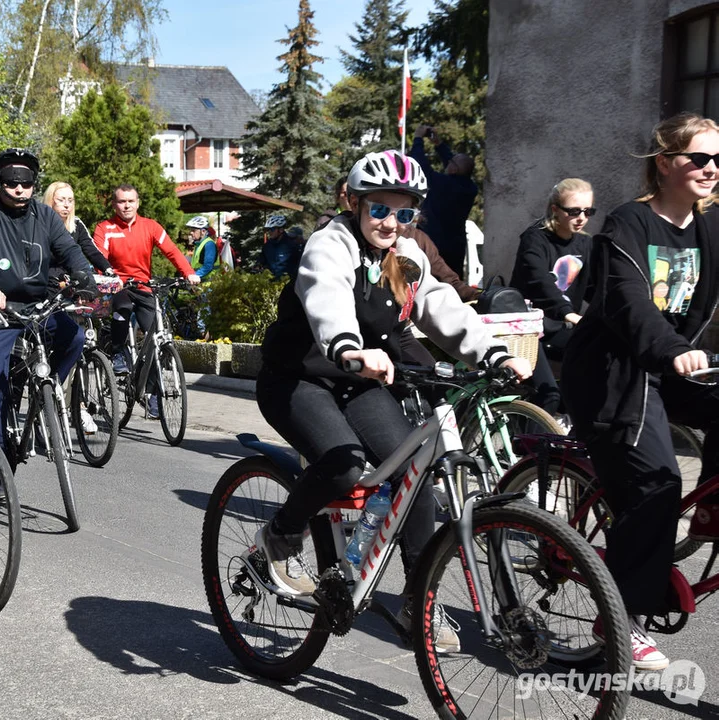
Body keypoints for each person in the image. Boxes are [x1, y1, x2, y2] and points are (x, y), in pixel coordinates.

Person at [254, 149, 531, 654]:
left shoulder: (405, 257)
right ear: (353, 203)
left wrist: (494, 353)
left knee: (414, 468)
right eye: (378, 208)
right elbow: (327, 298)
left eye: (403, 212)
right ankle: (279, 536)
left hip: (358, 381)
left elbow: (441, 308)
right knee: (343, 465)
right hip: (300, 378)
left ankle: (416, 599)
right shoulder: (329, 245)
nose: (390, 221)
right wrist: (348, 347)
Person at [562, 112, 719, 671]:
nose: (711, 168)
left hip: (673, 366)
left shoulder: (710, 226)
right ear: (665, 163)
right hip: (614, 372)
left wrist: (679, 355)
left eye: (716, 158)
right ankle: (621, 617)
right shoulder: (628, 225)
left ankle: (710, 515)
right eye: (698, 158)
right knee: (657, 480)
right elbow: (627, 302)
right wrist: (671, 348)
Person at [0, 149, 96, 455]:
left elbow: (69, 250)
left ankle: (43, 392)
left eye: (25, 181)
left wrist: (84, 276)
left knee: (74, 336)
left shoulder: (45, 215)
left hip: (37, 309)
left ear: (35, 182)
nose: (19, 187)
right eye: (10, 180)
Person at [93, 184, 200, 419]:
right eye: (122, 201)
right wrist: (107, 276)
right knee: (121, 308)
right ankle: (119, 352)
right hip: (119, 285)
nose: (127, 205)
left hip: (143, 286)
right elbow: (98, 255)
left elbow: (171, 251)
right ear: (114, 204)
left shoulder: (150, 226)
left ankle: (152, 393)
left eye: (131, 201)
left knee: (155, 339)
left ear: (138, 203)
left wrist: (188, 273)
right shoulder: (106, 228)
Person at [510, 178, 595, 416]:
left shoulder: (585, 244)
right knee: (548, 393)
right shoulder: (535, 239)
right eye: (574, 211)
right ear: (555, 209)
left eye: (588, 211)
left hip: (559, 327)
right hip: (526, 329)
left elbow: (595, 287)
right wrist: (568, 313)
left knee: (598, 373)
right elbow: (540, 282)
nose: (582, 218)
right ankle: (527, 449)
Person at [409, 125, 478, 277]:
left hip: (433, 243)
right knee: (453, 283)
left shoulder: (444, 184)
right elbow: (456, 165)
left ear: (453, 169)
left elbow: (420, 165)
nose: (448, 163)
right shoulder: (470, 188)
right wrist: (439, 145)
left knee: (427, 280)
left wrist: (418, 139)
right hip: (455, 246)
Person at [42, 181, 113, 276]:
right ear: (50, 201)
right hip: (46, 277)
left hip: (72, 278)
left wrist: (107, 268)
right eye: (61, 200)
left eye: (70, 200)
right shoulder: (38, 224)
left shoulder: (76, 224)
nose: (66, 205)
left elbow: (90, 249)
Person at [259, 214, 301, 279]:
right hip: (270, 283)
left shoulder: (292, 245)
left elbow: (299, 265)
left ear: (281, 230)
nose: (269, 232)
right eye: (268, 229)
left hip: (288, 284)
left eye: (272, 229)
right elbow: (261, 261)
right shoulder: (267, 246)